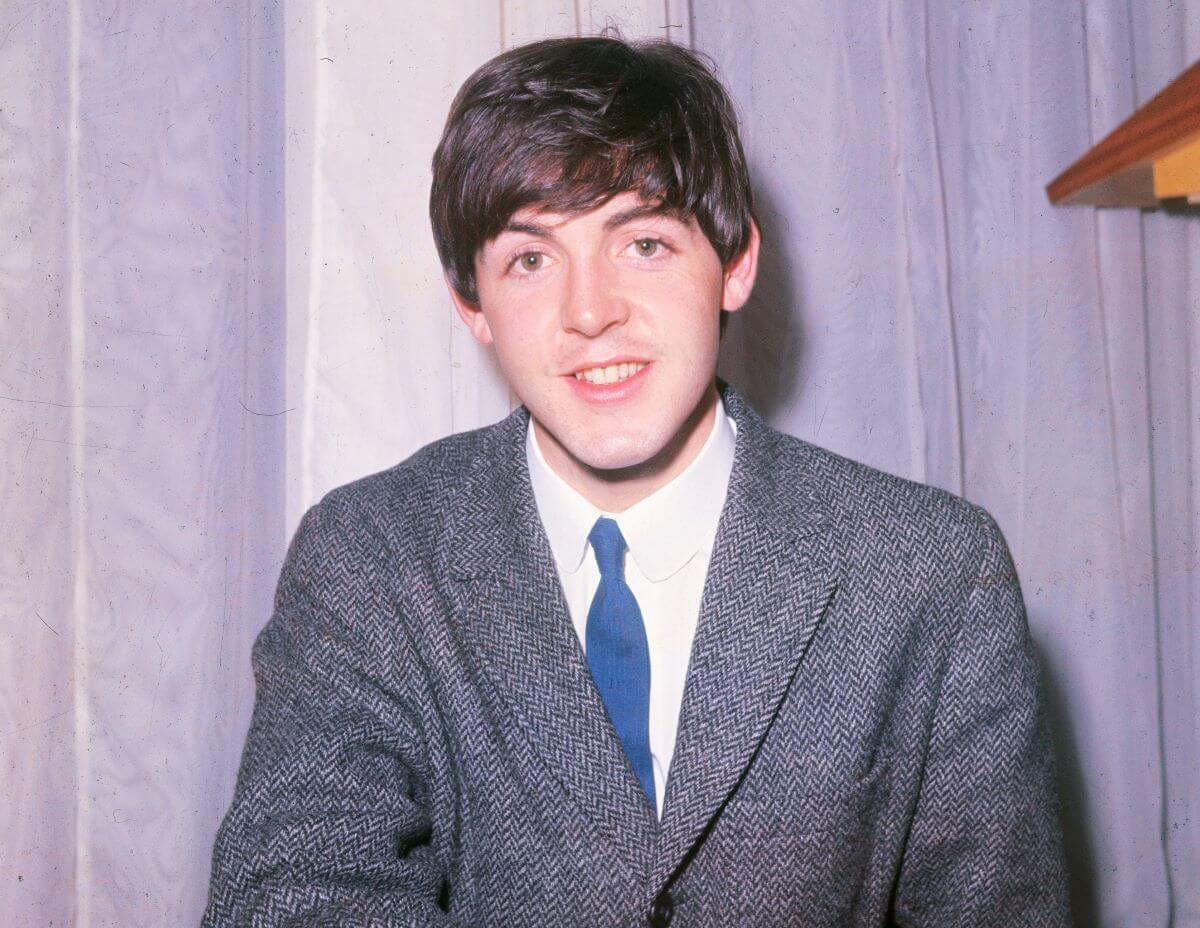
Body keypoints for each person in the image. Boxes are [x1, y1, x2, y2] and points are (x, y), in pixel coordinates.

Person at [201, 35, 1072, 927]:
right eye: (531, 260)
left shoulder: (932, 571)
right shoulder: (369, 558)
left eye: (644, 243)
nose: (590, 312)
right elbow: (294, 899)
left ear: (734, 265)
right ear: (474, 306)